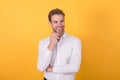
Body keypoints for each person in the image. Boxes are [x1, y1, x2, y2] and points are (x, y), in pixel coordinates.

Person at [37, 8, 82, 80]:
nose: (59, 25)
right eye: (55, 22)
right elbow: (41, 67)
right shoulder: (43, 42)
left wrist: (52, 69)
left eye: (62, 21)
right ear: (50, 23)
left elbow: (75, 67)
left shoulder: (75, 41)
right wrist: (51, 45)